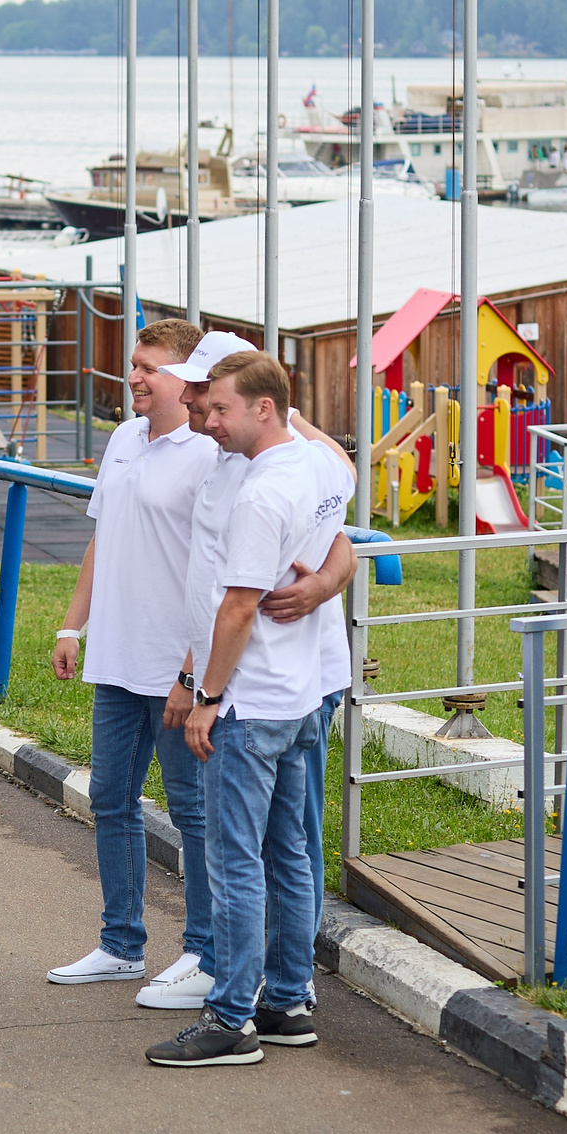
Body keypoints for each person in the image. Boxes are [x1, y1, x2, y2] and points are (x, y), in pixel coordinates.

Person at [44, 324, 351, 1010]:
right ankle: (130, 946)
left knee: (226, 833)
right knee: (118, 801)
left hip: (216, 678)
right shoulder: (139, 442)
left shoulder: (242, 456)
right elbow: (112, 538)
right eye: (136, 366)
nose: (138, 378)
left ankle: (223, 974)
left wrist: (197, 682)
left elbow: (246, 586)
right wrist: (75, 623)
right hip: (139, 657)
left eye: (152, 368)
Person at [147, 351, 354, 1070]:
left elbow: (237, 605)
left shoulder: (263, 493)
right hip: (298, 696)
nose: (210, 418)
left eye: (221, 407)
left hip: (252, 700)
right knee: (290, 852)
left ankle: (232, 1017)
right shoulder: (320, 467)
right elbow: (338, 545)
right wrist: (328, 579)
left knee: (236, 861)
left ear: (264, 408)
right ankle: (288, 1001)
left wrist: (205, 696)